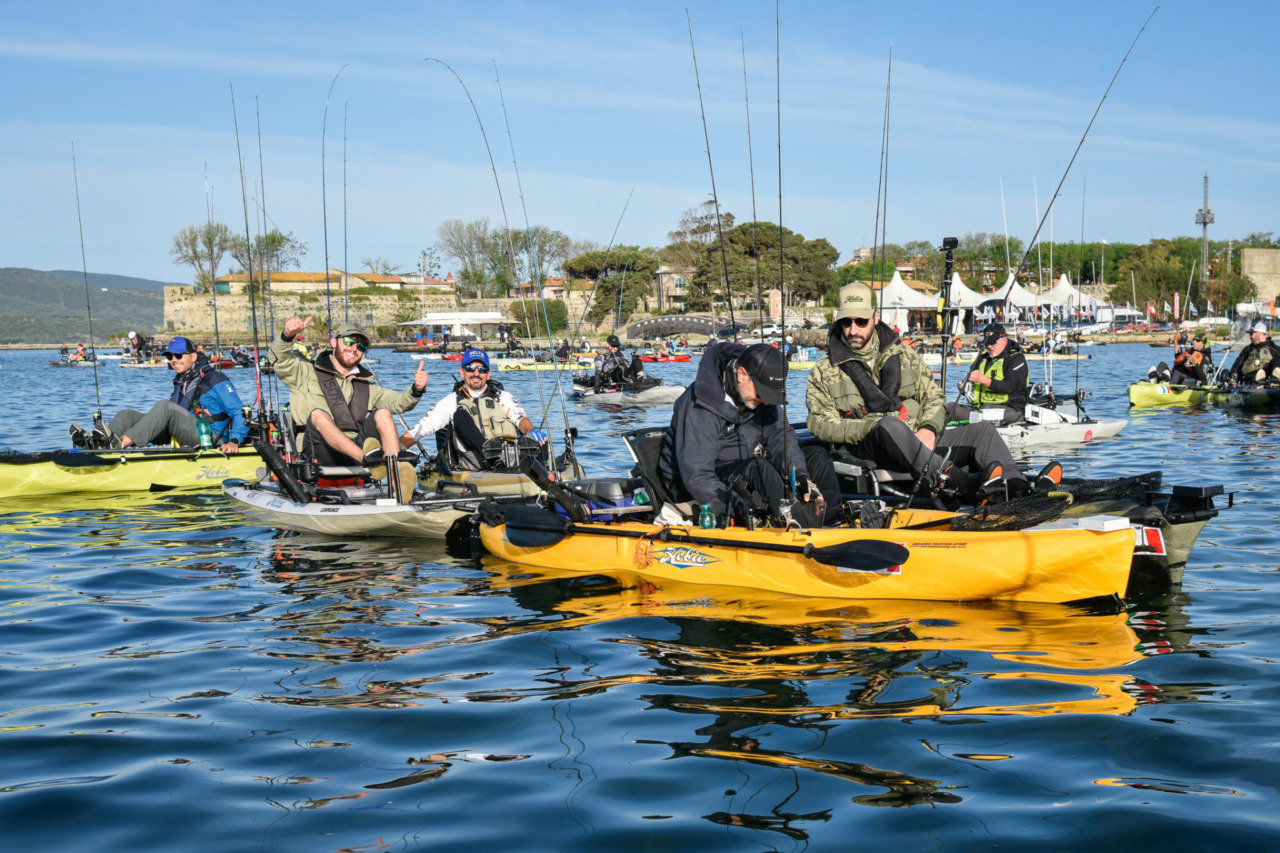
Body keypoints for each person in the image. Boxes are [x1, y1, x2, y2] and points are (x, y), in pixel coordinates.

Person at [806, 283, 1056, 503]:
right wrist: (865, 428)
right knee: (889, 425)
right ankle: (961, 482)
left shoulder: (904, 356)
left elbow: (934, 398)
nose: (852, 330)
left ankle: (1019, 489)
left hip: (918, 439)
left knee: (983, 432)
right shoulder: (824, 370)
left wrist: (928, 427)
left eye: (860, 321)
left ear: (875, 317)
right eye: (846, 322)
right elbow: (819, 423)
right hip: (868, 449)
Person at [658, 341, 837, 528]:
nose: (766, 402)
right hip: (698, 484)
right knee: (759, 468)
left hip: (743, 470)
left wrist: (799, 476)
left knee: (817, 456)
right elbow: (697, 476)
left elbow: (781, 440)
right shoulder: (699, 406)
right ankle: (804, 530)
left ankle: (835, 523)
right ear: (742, 375)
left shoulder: (759, 395)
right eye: (762, 394)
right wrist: (740, 506)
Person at [270, 317, 428, 502]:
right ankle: (371, 461)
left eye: (361, 346)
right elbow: (278, 359)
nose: (354, 348)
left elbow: (400, 403)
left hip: (352, 449)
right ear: (333, 342)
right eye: (349, 341)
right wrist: (287, 336)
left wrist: (417, 389)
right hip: (315, 452)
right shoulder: (304, 372)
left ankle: (397, 481)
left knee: (383, 413)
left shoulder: (366, 385)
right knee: (318, 414)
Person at [72, 336, 248, 453]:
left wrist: (234, 441)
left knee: (165, 407)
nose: (173, 360)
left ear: (194, 357)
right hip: (181, 432)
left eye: (178, 355)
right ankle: (99, 446)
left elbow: (240, 412)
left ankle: (119, 444)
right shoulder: (182, 380)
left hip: (210, 438)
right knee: (127, 415)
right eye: (169, 356)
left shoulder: (215, 379)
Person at [399, 348, 547, 471]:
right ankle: (494, 462)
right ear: (462, 372)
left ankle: (544, 475)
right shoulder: (451, 401)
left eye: (482, 369)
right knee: (459, 415)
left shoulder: (503, 397)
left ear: (488, 374)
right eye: (470, 368)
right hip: (476, 464)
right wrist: (393, 451)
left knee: (541, 439)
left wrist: (531, 432)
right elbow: (420, 429)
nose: (476, 373)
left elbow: (521, 419)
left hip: (509, 460)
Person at [946, 322, 1029, 424]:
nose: (989, 347)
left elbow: (1011, 387)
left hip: (1011, 410)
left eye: (992, 343)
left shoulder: (1016, 359)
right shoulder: (983, 357)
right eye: (986, 343)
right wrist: (964, 388)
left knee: (983, 411)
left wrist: (983, 380)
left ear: (1004, 340)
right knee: (948, 409)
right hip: (981, 408)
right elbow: (971, 382)